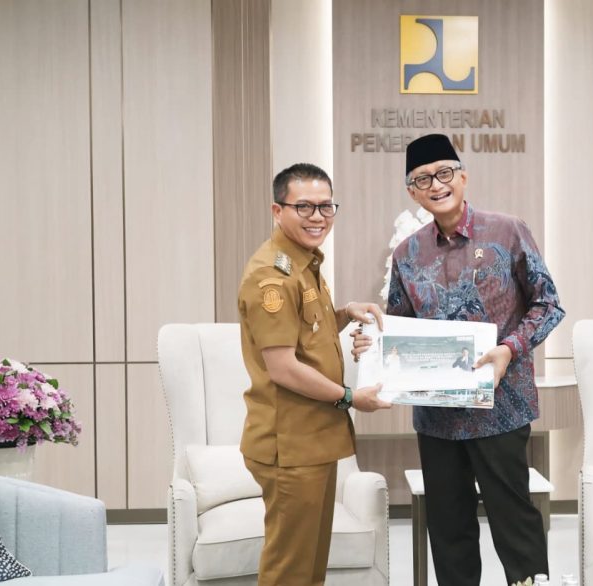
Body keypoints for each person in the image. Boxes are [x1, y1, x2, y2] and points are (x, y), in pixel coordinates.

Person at [387, 134, 564, 585]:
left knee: (515, 525)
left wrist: (509, 349)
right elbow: (400, 330)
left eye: (445, 173)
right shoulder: (407, 255)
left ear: (463, 177)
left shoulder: (507, 231)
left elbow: (548, 304)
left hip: (501, 409)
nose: (436, 184)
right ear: (412, 191)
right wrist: (372, 345)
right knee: (449, 532)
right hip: (438, 418)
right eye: (423, 179)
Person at [237, 162, 391, 586]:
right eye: (304, 207)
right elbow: (284, 368)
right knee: (290, 572)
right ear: (277, 210)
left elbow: (307, 332)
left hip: (314, 440)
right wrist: (350, 397)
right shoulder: (272, 277)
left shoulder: (303, 264)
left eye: (326, 206)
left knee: (310, 569)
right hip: (290, 444)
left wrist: (345, 313)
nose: (317, 217)